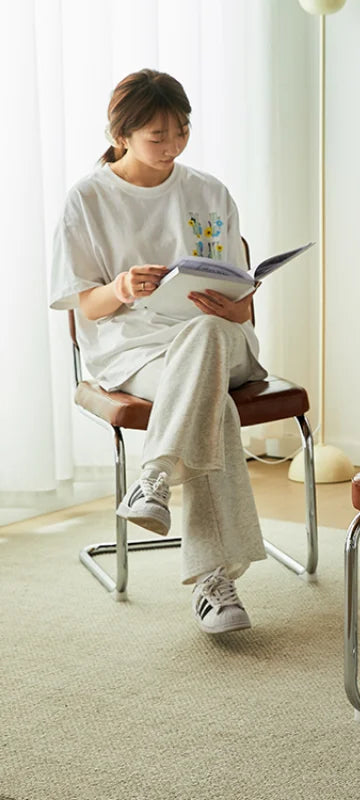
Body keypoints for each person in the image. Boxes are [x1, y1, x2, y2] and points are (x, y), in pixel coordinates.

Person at [50, 69, 269, 635]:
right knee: (210, 408)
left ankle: (156, 473)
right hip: (138, 353)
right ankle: (216, 585)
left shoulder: (209, 191)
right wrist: (121, 288)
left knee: (208, 336)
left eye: (181, 131)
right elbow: (83, 306)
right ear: (120, 135)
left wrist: (239, 309)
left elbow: (240, 300)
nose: (171, 146)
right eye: (157, 135)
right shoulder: (88, 199)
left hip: (219, 338)